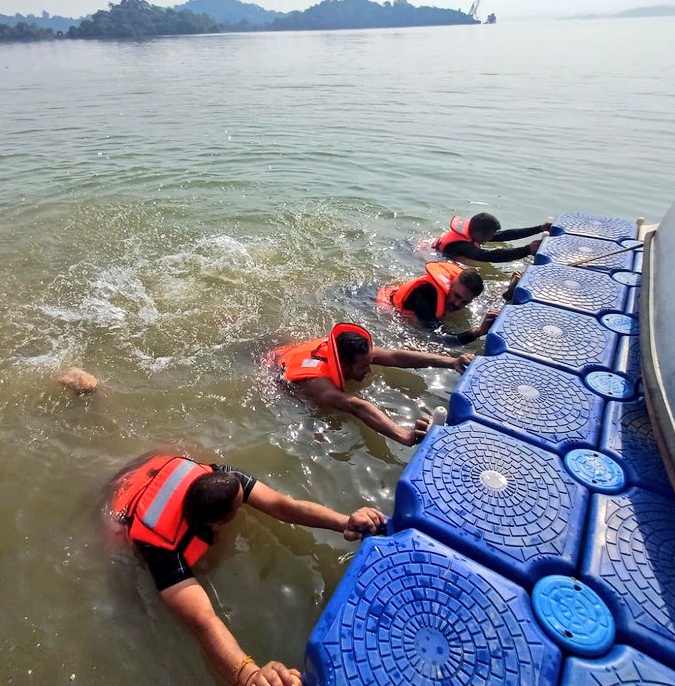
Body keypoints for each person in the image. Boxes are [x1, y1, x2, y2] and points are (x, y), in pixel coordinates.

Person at [104, 453, 387, 686]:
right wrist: (249, 676)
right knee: (115, 546)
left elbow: (282, 506)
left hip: (151, 467)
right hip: (122, 501)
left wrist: (345, 522)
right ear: (216, 525)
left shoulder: (223, 478)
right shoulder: (162, 551)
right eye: (240, 506)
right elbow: (203, 621)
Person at [269, 323, 472, 446]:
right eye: (363, 367)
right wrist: (405, 436)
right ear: (343, 365)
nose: (369, 370)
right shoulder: (320, 385)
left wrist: (451, 362)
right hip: (273, 368)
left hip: (288, 350)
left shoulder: (350, 352)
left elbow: (396, 357)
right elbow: (357, 406)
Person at [376, 263, 498, 344]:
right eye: (456, 296)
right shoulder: (426, 297)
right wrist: (479, 332)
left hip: (396, 290)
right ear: (451, 284)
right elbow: (438, 340)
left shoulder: (451, 290)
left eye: (464, 302)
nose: (457, 304)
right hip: (385, 306)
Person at [433, 212, 551, 263]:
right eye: (489, 236)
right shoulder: (463, 246)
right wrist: (526, 250)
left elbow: (506, 235)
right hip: (433, 255)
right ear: (479, 233)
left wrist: (540, 228)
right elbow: (488, 256)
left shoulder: (473, 230)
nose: (490, 238)